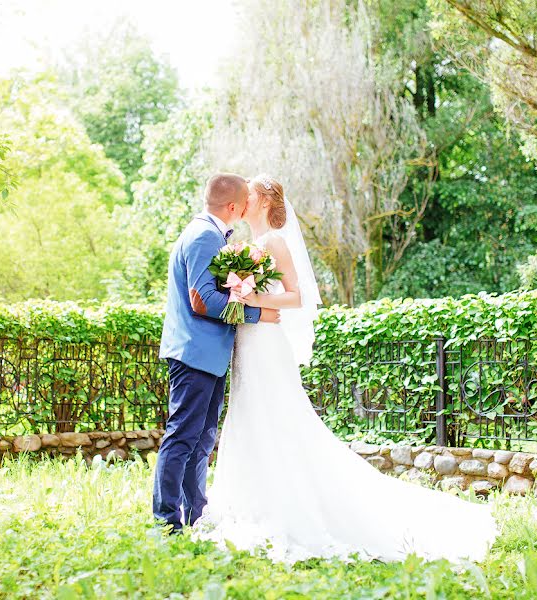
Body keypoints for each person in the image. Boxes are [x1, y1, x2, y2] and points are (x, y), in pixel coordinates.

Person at [193, 174, 498, 563]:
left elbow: (297, 296)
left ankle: (288, 507)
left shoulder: (274, 242)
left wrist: (251, 295)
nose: (243, 200)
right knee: (249, 420)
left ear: (265, 201)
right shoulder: (248, 246)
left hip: (268, 347)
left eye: (249, 195)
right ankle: (248, 504)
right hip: (247, 345)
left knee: (278, 421)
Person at [153, 173, 280, 533]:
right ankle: (165, 521)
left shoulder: (208, 235)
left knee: (202, 437)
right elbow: (203, 302)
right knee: (182, 436)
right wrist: (259, 313)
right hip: (194, 352)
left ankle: (196, 513)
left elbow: (207, 298)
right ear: (234, 206)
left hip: (207, 353)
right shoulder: (203, 237)